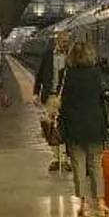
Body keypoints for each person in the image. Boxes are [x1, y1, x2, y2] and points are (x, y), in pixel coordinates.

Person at [59, 41, 109, 217]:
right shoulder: (97, 74)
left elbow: (63, 103)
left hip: (74, 127)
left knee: (78, 165)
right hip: (95, 125)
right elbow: (104, 93)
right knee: (96, 165)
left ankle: (84, 204)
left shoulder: (66, 75)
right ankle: (101, 203)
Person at [34, 32, 72, 172]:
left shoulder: (71, 56)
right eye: (63, 41)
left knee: (66, 127)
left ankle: (66, 158)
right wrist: (35, 93)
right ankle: (55, 158)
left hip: (66, 97)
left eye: (67, 41)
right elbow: (39, 75)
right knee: (50, 128)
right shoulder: (47, 55)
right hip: (50, 96)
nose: (65, 44)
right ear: (57, 41)